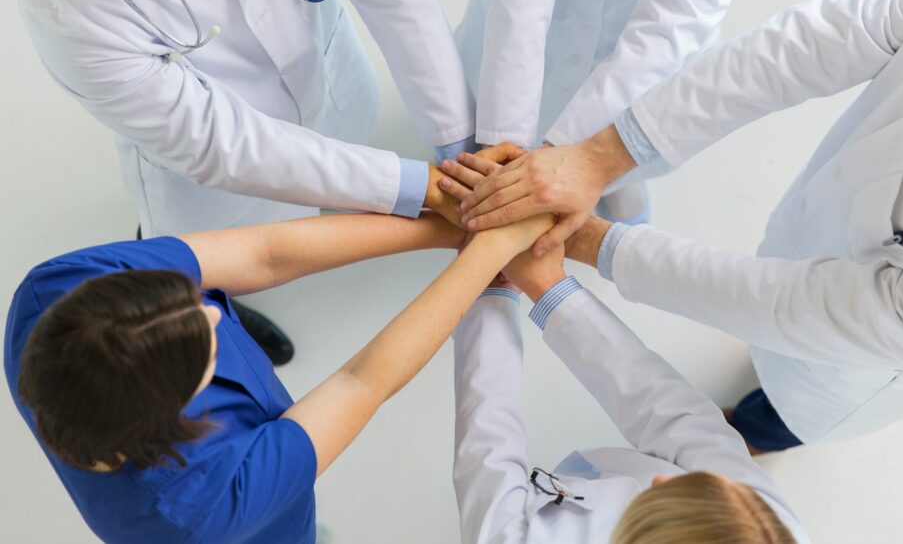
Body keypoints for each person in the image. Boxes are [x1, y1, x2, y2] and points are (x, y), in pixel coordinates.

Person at [442, 0, 903, 451]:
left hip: (856, 356)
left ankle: (750, 430)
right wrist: (600, 156)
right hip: (832, 228)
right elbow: (804, 46)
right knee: (775, 287)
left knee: (777, 414)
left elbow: (799, 306)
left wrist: (596, 244)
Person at [19, 0, 476, 364]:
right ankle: (202, 303)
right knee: (197, 264)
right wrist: (421, 188)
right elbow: (220, 143)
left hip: (327, 83)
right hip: (210, 175)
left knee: (332, 173)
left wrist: (458, 151)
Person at [5, 210, 551, 543]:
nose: (218, 312)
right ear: (175, 414)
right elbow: (362, 382)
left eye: (191, 301)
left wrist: (449, 228)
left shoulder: (52, 291)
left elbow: (262, 253)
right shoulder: (200, 509)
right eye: (204, 346)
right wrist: (491, 251)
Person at [455, 0, 794, 223]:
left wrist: (575, 161)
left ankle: (612, 182)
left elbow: (680, 14)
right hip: (539, 5)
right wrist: (504, 144)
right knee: (480, 132)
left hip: (650, 37)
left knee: (618, 149)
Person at [451, 243, 809, 543]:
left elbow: (487, 446)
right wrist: (548, 287)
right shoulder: (765, 527)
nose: (659, 478)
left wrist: (490, 289)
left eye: (659, 498)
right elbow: (671, 415)